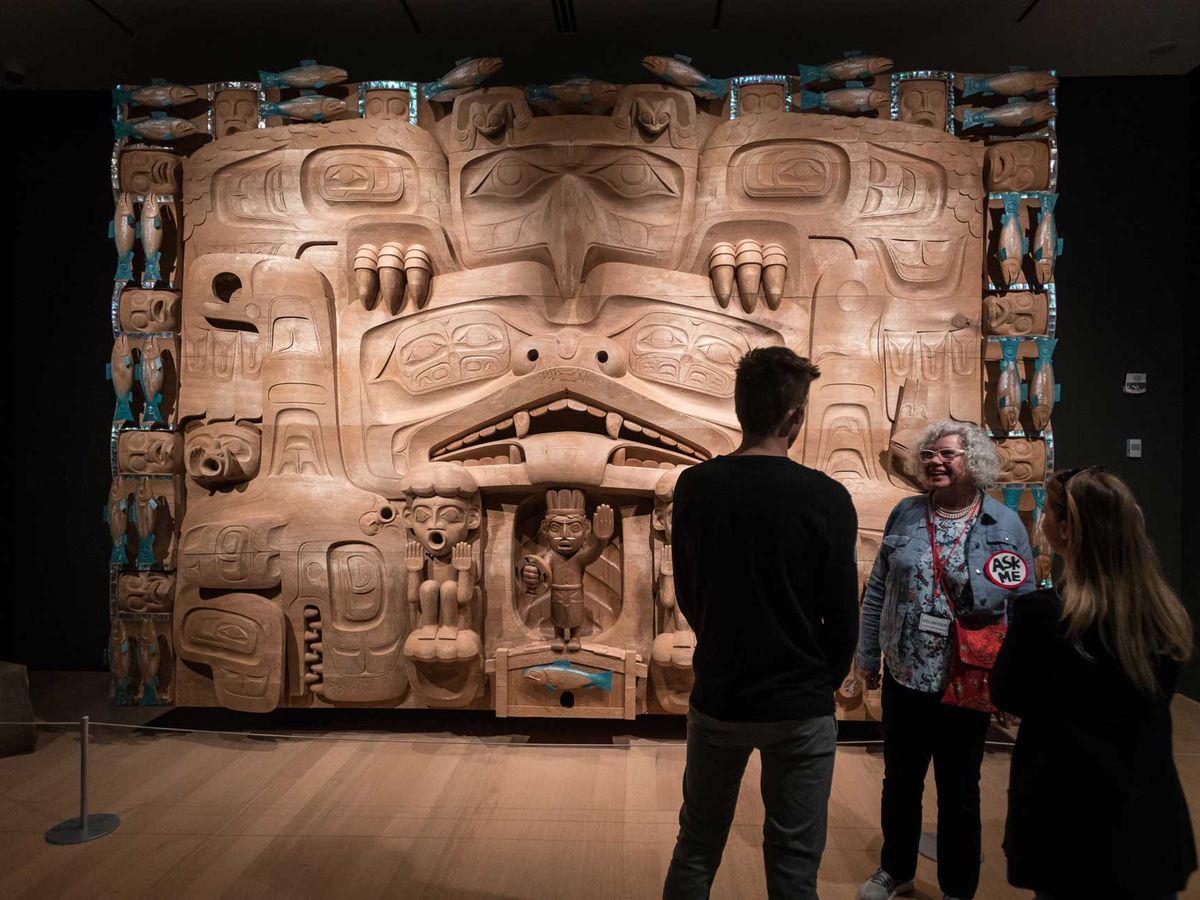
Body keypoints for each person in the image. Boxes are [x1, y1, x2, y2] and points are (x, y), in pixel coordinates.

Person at [662, 346, 860, 900]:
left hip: (721, 693)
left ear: (739, 406)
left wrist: (721, 643)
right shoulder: (826, 497)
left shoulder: (696, 486)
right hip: (798, 702)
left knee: (697, 845)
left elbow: (687, 589)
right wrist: (823, 677)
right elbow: (842, 610)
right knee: (794, 864)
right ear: (795, 416)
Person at [992, 467, 1196, 899]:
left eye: (1048, 511)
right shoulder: (1164, 618)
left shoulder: (1043, 616)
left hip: (1067, 823)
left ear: (1065, 530)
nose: (1043, 519)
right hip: (1148, 825)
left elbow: (1008, 694)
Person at [856, 421, 1034, 900]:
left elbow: (1022, 608)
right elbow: (877, 587)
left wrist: (1014, 684)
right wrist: (868, 652)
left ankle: (958, 887)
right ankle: (896, 871)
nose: (935, 461)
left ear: (972, 460)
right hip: (906, 672)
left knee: (960, 789)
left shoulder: (1003, 524)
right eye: (930, 454)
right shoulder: (906, 514)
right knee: (900, 781)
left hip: (968, 679)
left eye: (947, 454)